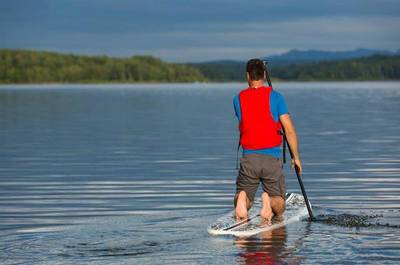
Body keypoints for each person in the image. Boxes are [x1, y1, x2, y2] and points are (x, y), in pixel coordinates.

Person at [233, 58, 302, 223]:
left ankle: (243, 199)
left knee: (243, 195)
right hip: (272, 159)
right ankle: (269, 203)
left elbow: (248, 120)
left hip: (249, 158)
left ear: (247, 76)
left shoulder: (238, 99)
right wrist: (296, 157)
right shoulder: (277, 97)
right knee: (279, 205)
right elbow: (289, 130)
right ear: (264, 75)